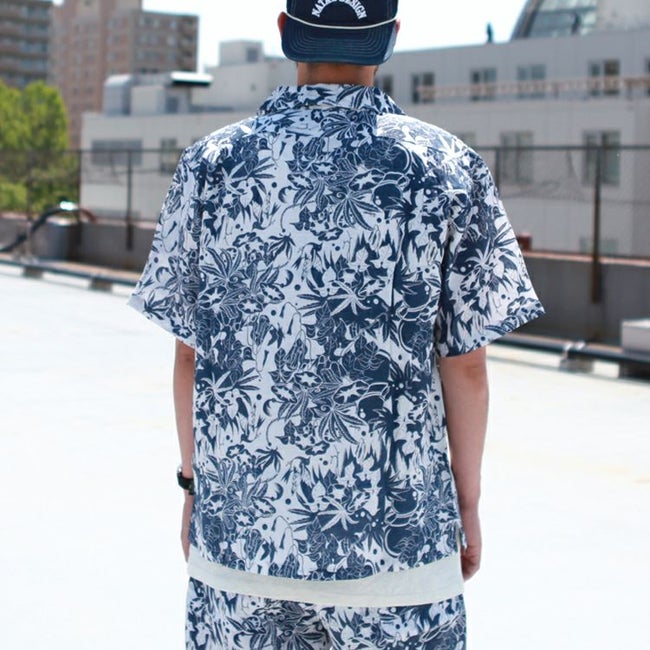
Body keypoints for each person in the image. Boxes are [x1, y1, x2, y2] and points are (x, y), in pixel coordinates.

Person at [129, 1, 544, 647]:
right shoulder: (447, 165)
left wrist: (193, 487)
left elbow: (190, 354)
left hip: (241, 544)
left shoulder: (211, 163)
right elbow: (466, 365)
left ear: (285, 31)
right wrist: (465, 504)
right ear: (391, 37)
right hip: (401, 547)